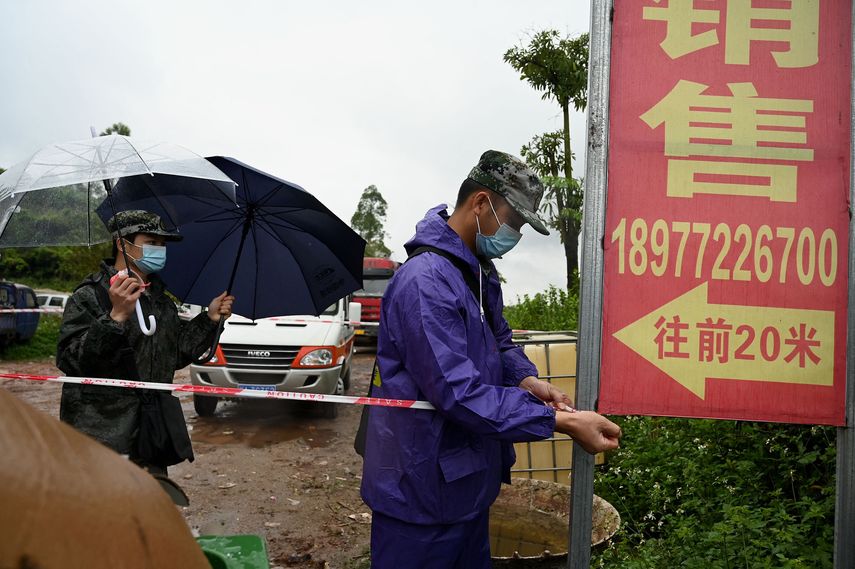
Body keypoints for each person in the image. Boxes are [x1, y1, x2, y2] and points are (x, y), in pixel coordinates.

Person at [360, 150, 622, 568]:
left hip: (465, 483)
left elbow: (499, 340)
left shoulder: (477, 273)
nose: (514, 235)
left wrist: (526, 380)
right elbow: (458, 392)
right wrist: (562, 421)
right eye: (513, 221)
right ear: (480, 204)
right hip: (419, 493)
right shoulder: (427, 282)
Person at [57, 210, 235, 476]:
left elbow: (174, 354)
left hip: (151, 434)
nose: (159, 250)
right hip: (101, 439)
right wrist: (114, 317)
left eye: (162, 244)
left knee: (151, 512)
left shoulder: (161, 301)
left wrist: (209, 319)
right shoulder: (91, 296)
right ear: (122, 244)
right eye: (151, 242)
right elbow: (71, 360)